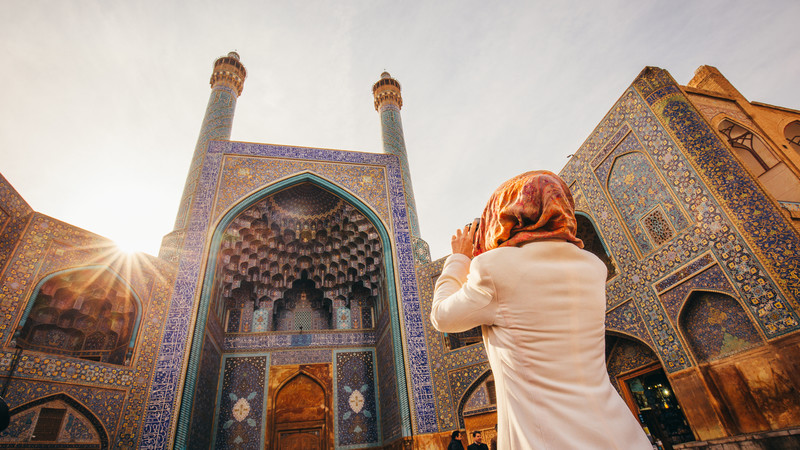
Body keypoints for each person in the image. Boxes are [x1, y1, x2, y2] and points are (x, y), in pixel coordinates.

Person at [431, 171, 652, 450]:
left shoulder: (494, 268)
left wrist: (458, 259)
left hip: (548, 439)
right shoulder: (593, 266)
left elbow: (441, 316)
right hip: (620, 434)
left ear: (509, 215)